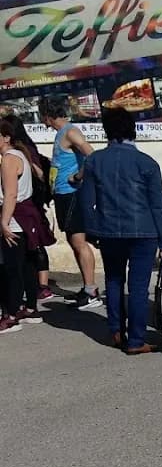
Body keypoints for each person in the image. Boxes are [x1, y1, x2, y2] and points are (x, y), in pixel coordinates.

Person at [80, 107, 162, 355]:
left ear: (107, 131)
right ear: (133, 130)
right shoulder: (147, 163)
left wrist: (91, 231)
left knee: (113, 280)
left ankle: (116, 330)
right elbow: (158, 206)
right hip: (144, 231)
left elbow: (87, 202)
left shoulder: (94, 161)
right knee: (139, 287)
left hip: (109, 230)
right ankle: (136, 339)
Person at [40, 95, 102, 310]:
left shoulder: (70, 131)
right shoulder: (61, 134)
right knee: (73, 241)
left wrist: (78, 176)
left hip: (73, 193)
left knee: (79, 242)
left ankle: (92, 290)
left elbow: (92, 156)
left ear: (47, 116)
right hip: (63, 195)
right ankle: (87, 288)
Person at [0, 122, 52, 331]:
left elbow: (11, 194)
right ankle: (30, 308)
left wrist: (4, 222)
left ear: (6, 137)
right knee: (27, 264)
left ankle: (11, 314)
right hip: (26, 218)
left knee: (12, 268)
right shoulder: (22, 155)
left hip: (15, 217)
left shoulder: (10, 159)